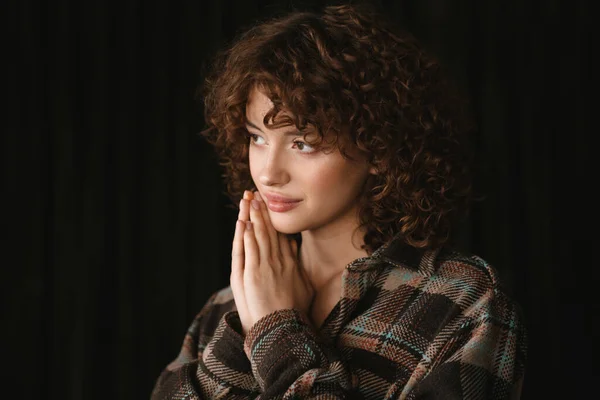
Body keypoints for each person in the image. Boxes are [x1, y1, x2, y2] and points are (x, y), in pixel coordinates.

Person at [151, 3, 527, 399]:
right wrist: (242, 334)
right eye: (257, 137)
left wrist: (276, 331)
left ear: (379, 149)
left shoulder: (464, 303)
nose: (267, 173)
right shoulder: (227, 304)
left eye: (303, 143)